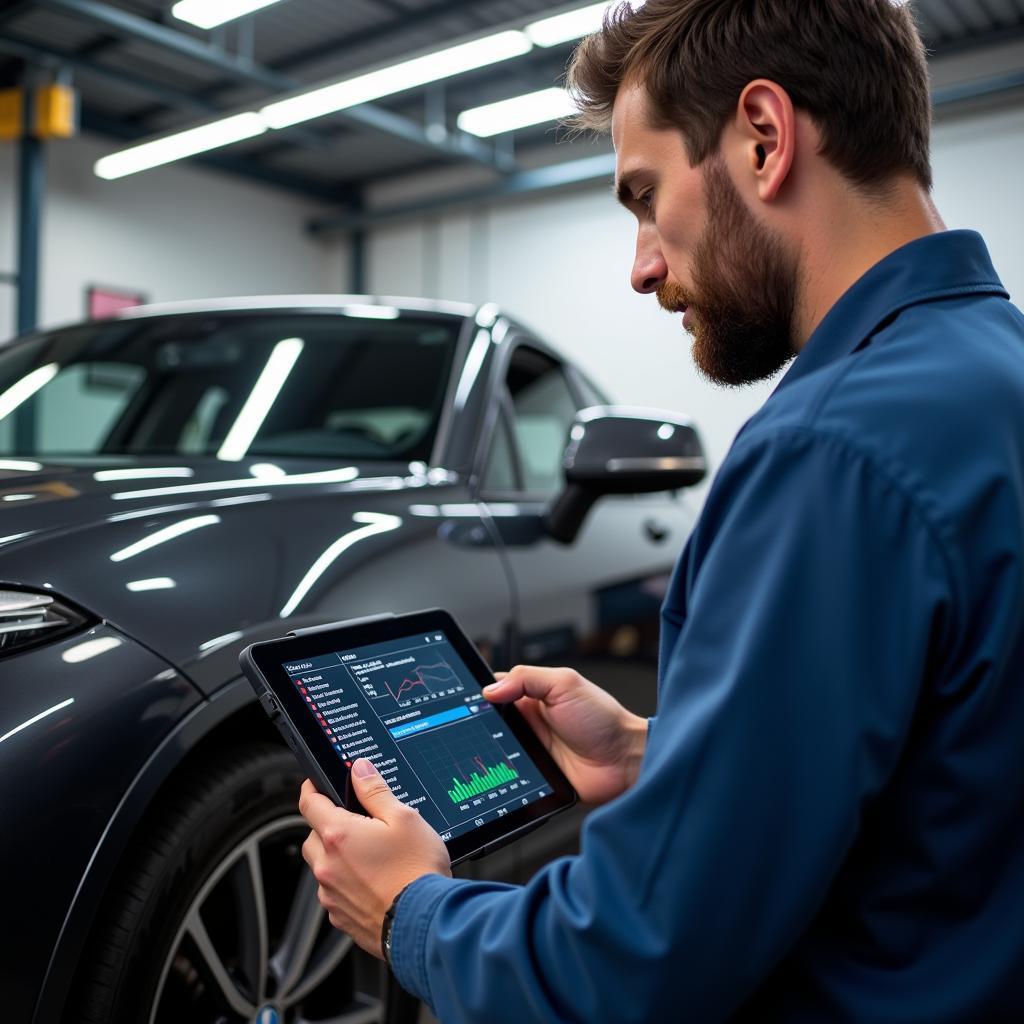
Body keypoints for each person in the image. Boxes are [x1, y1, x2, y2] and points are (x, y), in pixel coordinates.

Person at [299, 1, 1024, 1019]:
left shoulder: (828, 449)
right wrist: (658, 748)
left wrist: (407, 910)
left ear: (763, 138)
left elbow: (632, 967)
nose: (640, 265)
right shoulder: (993, 373)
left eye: (643, 198)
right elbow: (948, 766)